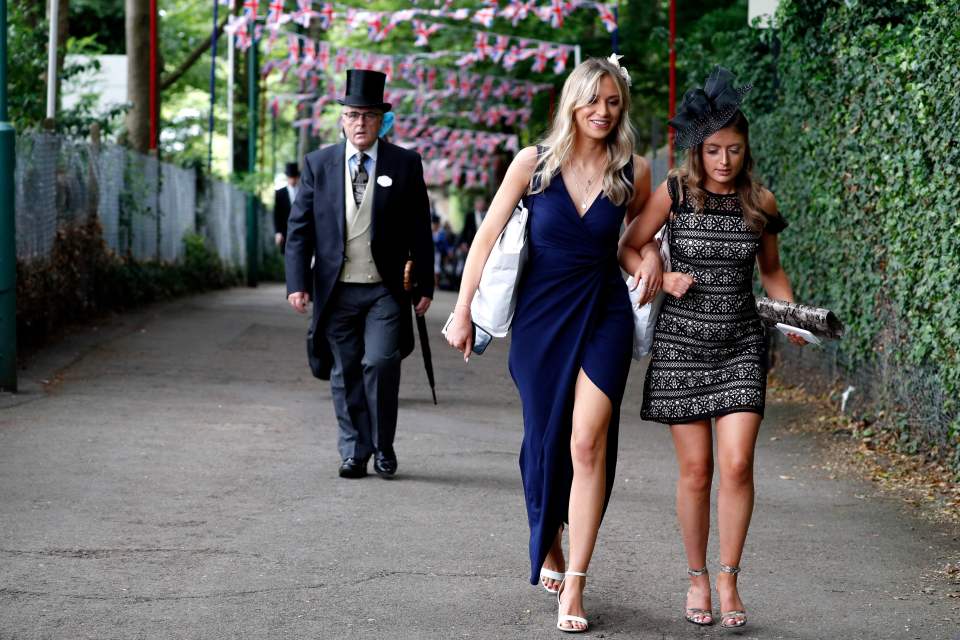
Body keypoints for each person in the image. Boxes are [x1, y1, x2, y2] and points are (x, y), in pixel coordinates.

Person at [445, 56, 662, 633]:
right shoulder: (532, 164)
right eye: (593, 100)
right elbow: (486, 237)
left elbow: (634, 242)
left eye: (613, 102)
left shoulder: (634, 172)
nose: (603, 112)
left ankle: (576, 585)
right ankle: (549, 539)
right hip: (541, 321)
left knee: (588, 443)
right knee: (543, 444)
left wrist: (653, 257)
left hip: (603, 314)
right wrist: (463, 311)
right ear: (573, 102)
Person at [618, 66, 807, 630]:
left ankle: (728, 577)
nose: (724, 160)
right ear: (698, 151)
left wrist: (791, 314)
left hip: (741, 343)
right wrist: (658, 269)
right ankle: (696, 576)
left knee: (738, 463)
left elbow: (771, 272)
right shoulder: (674, 192)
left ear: (747, 151)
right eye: (714, 150)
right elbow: (629, 247)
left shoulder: (761, 201)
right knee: (697, 471)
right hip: (681, 345)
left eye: (735, 150)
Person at [285, 69, 434, 480]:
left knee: (382, 362)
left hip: (385, 289)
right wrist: (297, 283)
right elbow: (300, 229)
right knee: (345, 370)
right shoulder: (319, 164)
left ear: (381, 120)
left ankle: (384, 444)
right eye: (353, 115)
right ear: (342, 119)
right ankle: (355, 451)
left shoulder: (405, 164)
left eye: (369, 116)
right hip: (336, 289)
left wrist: (425, 283)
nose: (360, 123)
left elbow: (421, 227)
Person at [273, 162, 300, 254]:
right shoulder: (280, 193)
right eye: (290, 177)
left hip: (300, 232)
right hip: (285, 232)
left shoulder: (302, 192)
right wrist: (278, 232)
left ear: (297, 178)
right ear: (287, 178)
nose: (292, 180)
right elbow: (277, 214)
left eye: (294, 177)